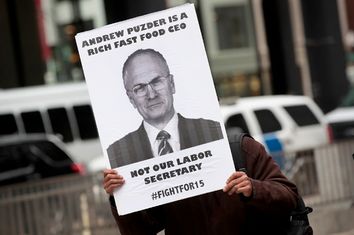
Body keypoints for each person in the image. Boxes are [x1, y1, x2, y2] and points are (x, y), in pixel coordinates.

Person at [103, 134, 299, 234]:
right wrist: (120, 197)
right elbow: (141, 231)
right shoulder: (157, 166)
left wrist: (253, 188)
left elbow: (288, 196)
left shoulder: (241, 150)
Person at [107, 48, 223, 168]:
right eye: (140, 88)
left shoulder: (214, 133)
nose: (151, 95)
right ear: (131, 99)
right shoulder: (116, 154)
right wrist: (113, 186)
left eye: (156, 82)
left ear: (172, 84)